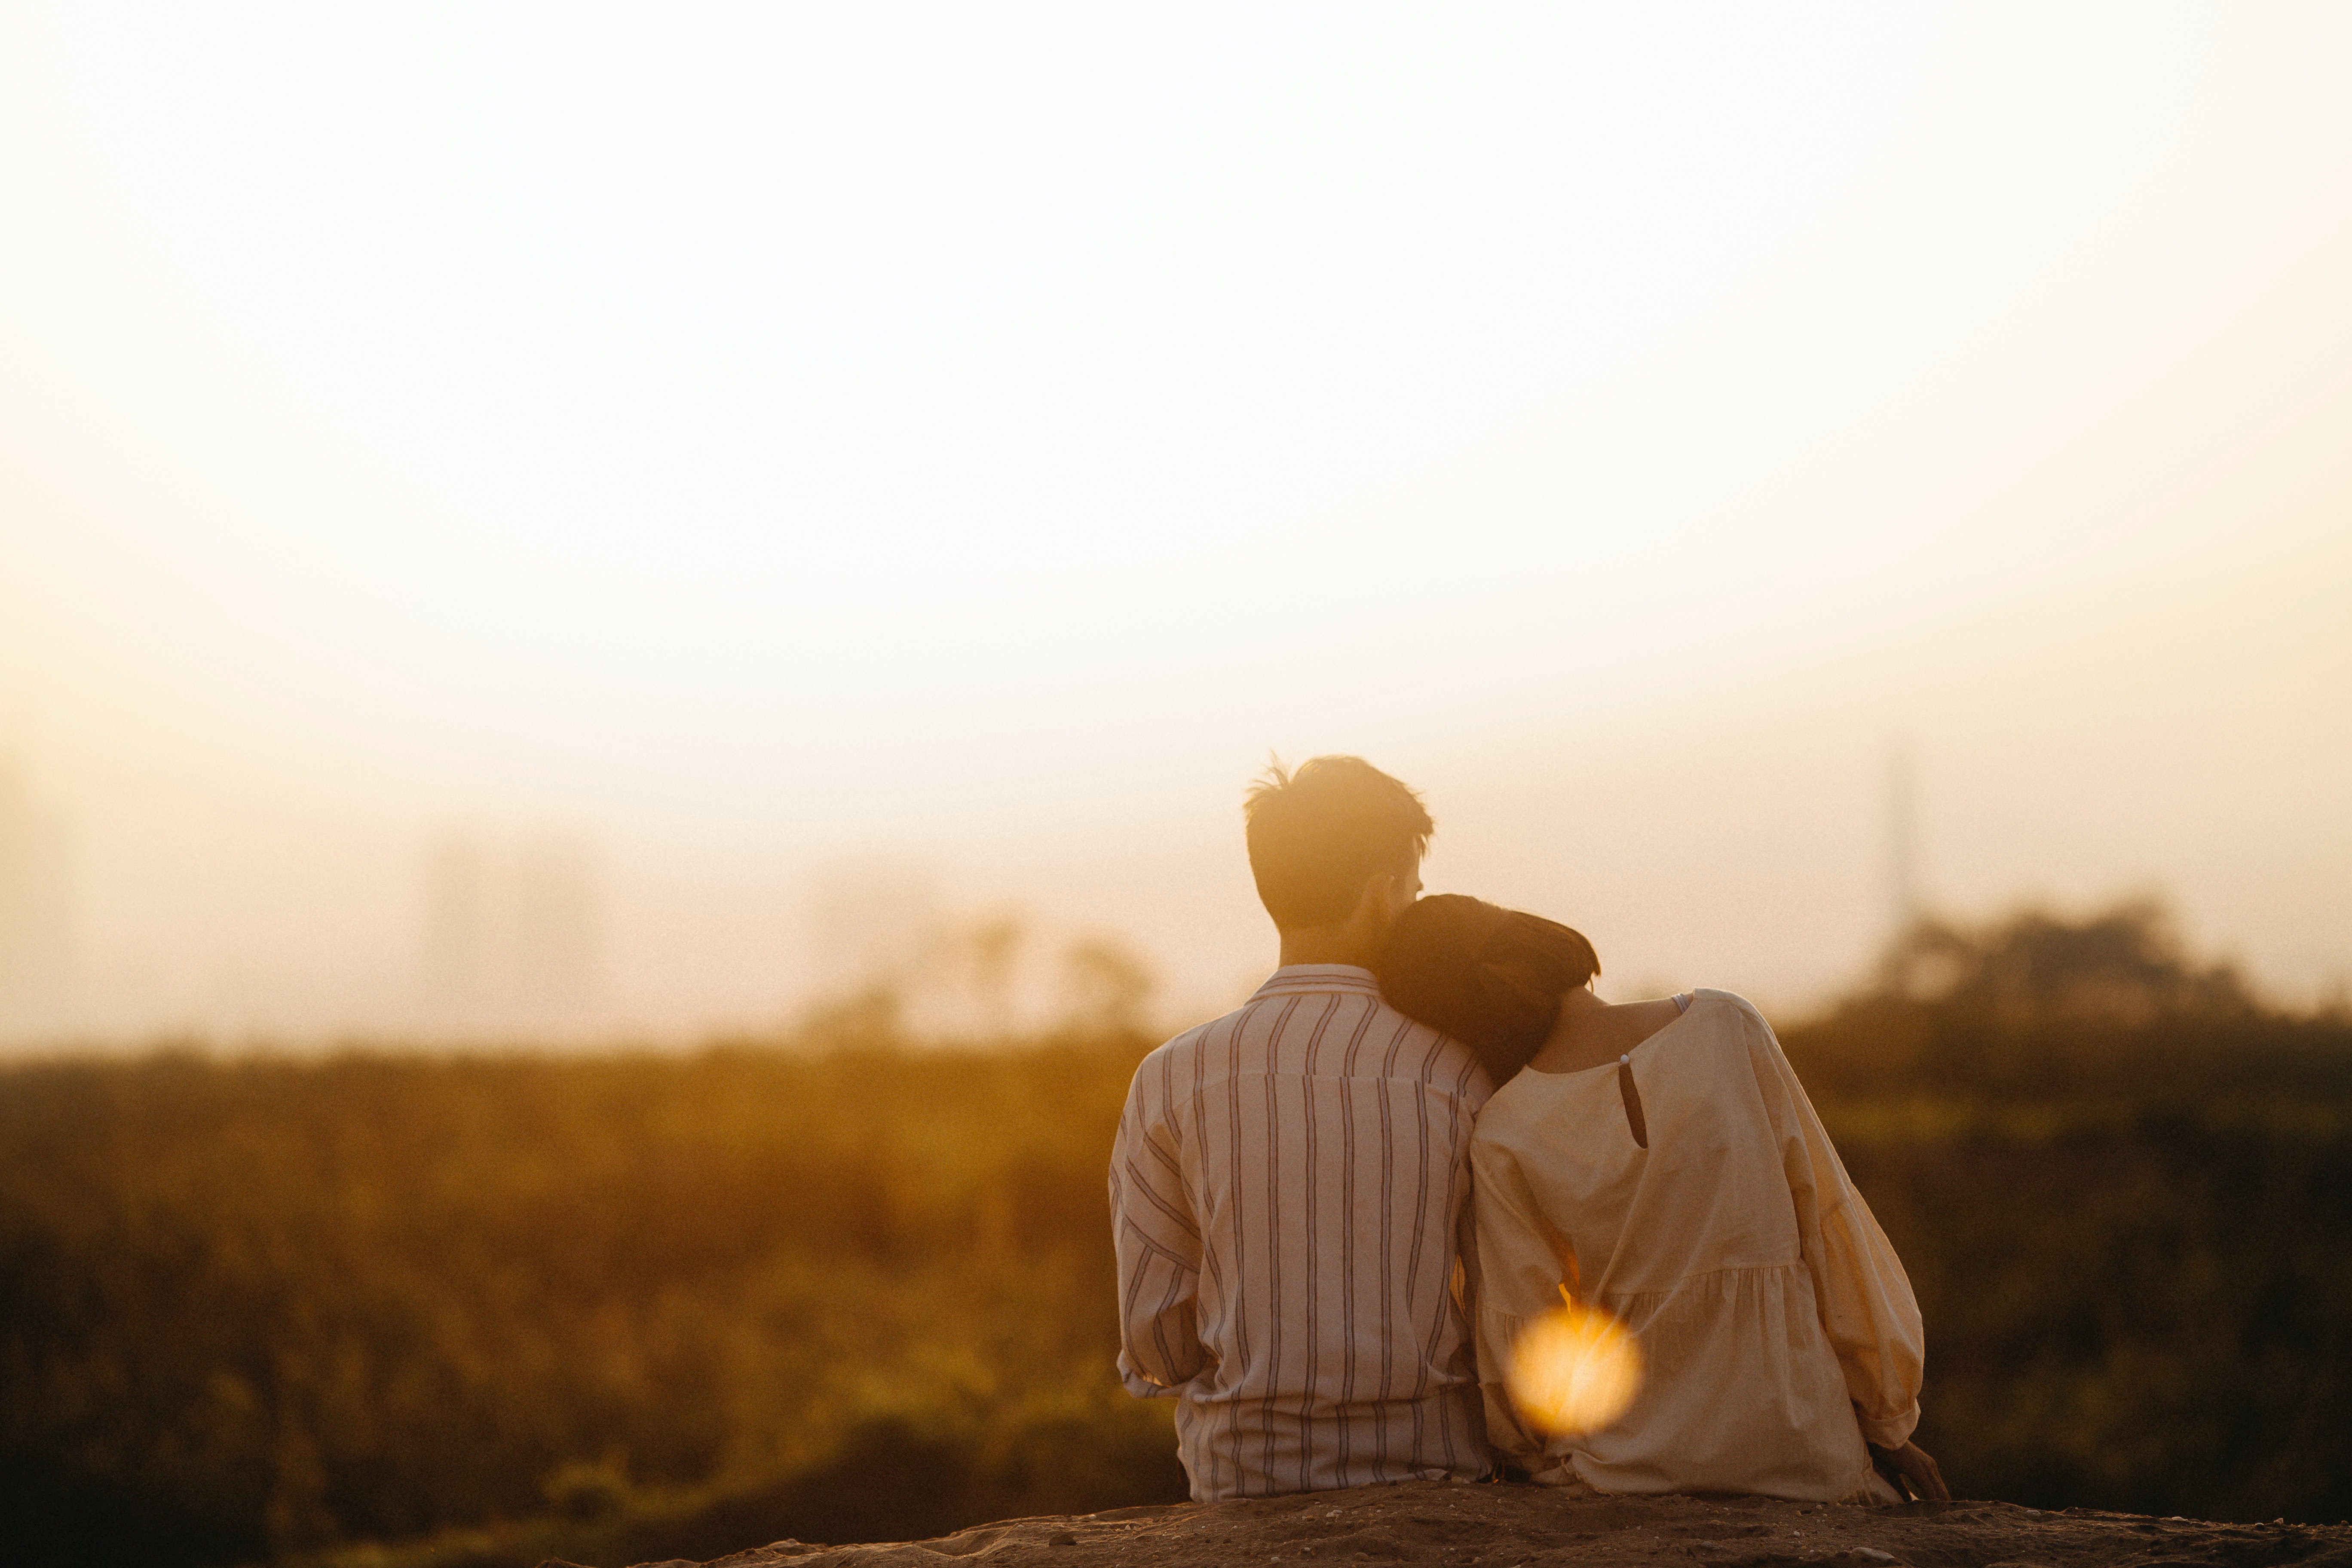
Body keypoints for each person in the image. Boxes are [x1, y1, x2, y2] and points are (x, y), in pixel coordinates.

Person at [1373, 894, 1948, 1505]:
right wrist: (1887, 1420)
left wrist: (1526, 1453)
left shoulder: (1503, 1131)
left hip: (1623, 1469)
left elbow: (1524, 1334)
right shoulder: (1728, 1026)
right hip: (1802, 1450)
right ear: (1537, 937)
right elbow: (1830, 1223)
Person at [1109, 757, 1494, 1501]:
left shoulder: (1171, 1075)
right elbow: (1502, 1300)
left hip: (1247, 1477)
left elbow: (1154, 1339)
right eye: (1413, 890)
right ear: (1384, 893)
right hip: (1435, 1472)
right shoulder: (1460, 1069)